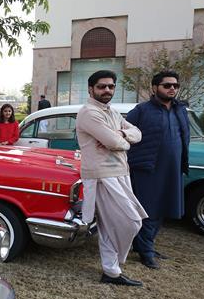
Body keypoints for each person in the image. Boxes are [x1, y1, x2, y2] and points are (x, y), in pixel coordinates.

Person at [76, 71, 147, 287]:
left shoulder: (113, 112)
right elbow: (114, 142)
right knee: (132, 222)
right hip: (102, 176)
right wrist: (121, 138)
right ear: (91, 89)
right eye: (102, 86)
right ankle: (115, 264)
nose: (107, 90)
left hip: (120, 173)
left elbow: (137, 133)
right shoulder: (89, 113)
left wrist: (122, 135)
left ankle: (111, 271)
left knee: (109, 226)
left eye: (111, 86)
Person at [126, 71, 190, 269]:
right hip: (147, 168)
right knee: (148, 210)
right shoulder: (142, 110)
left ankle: (144, 245)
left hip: (172, 169)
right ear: (155, 88)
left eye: (175, 86)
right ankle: (146, 251)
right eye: (167, 85)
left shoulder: (181, 110)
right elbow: (126, 134)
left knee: (163, 208)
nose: (172, 88)